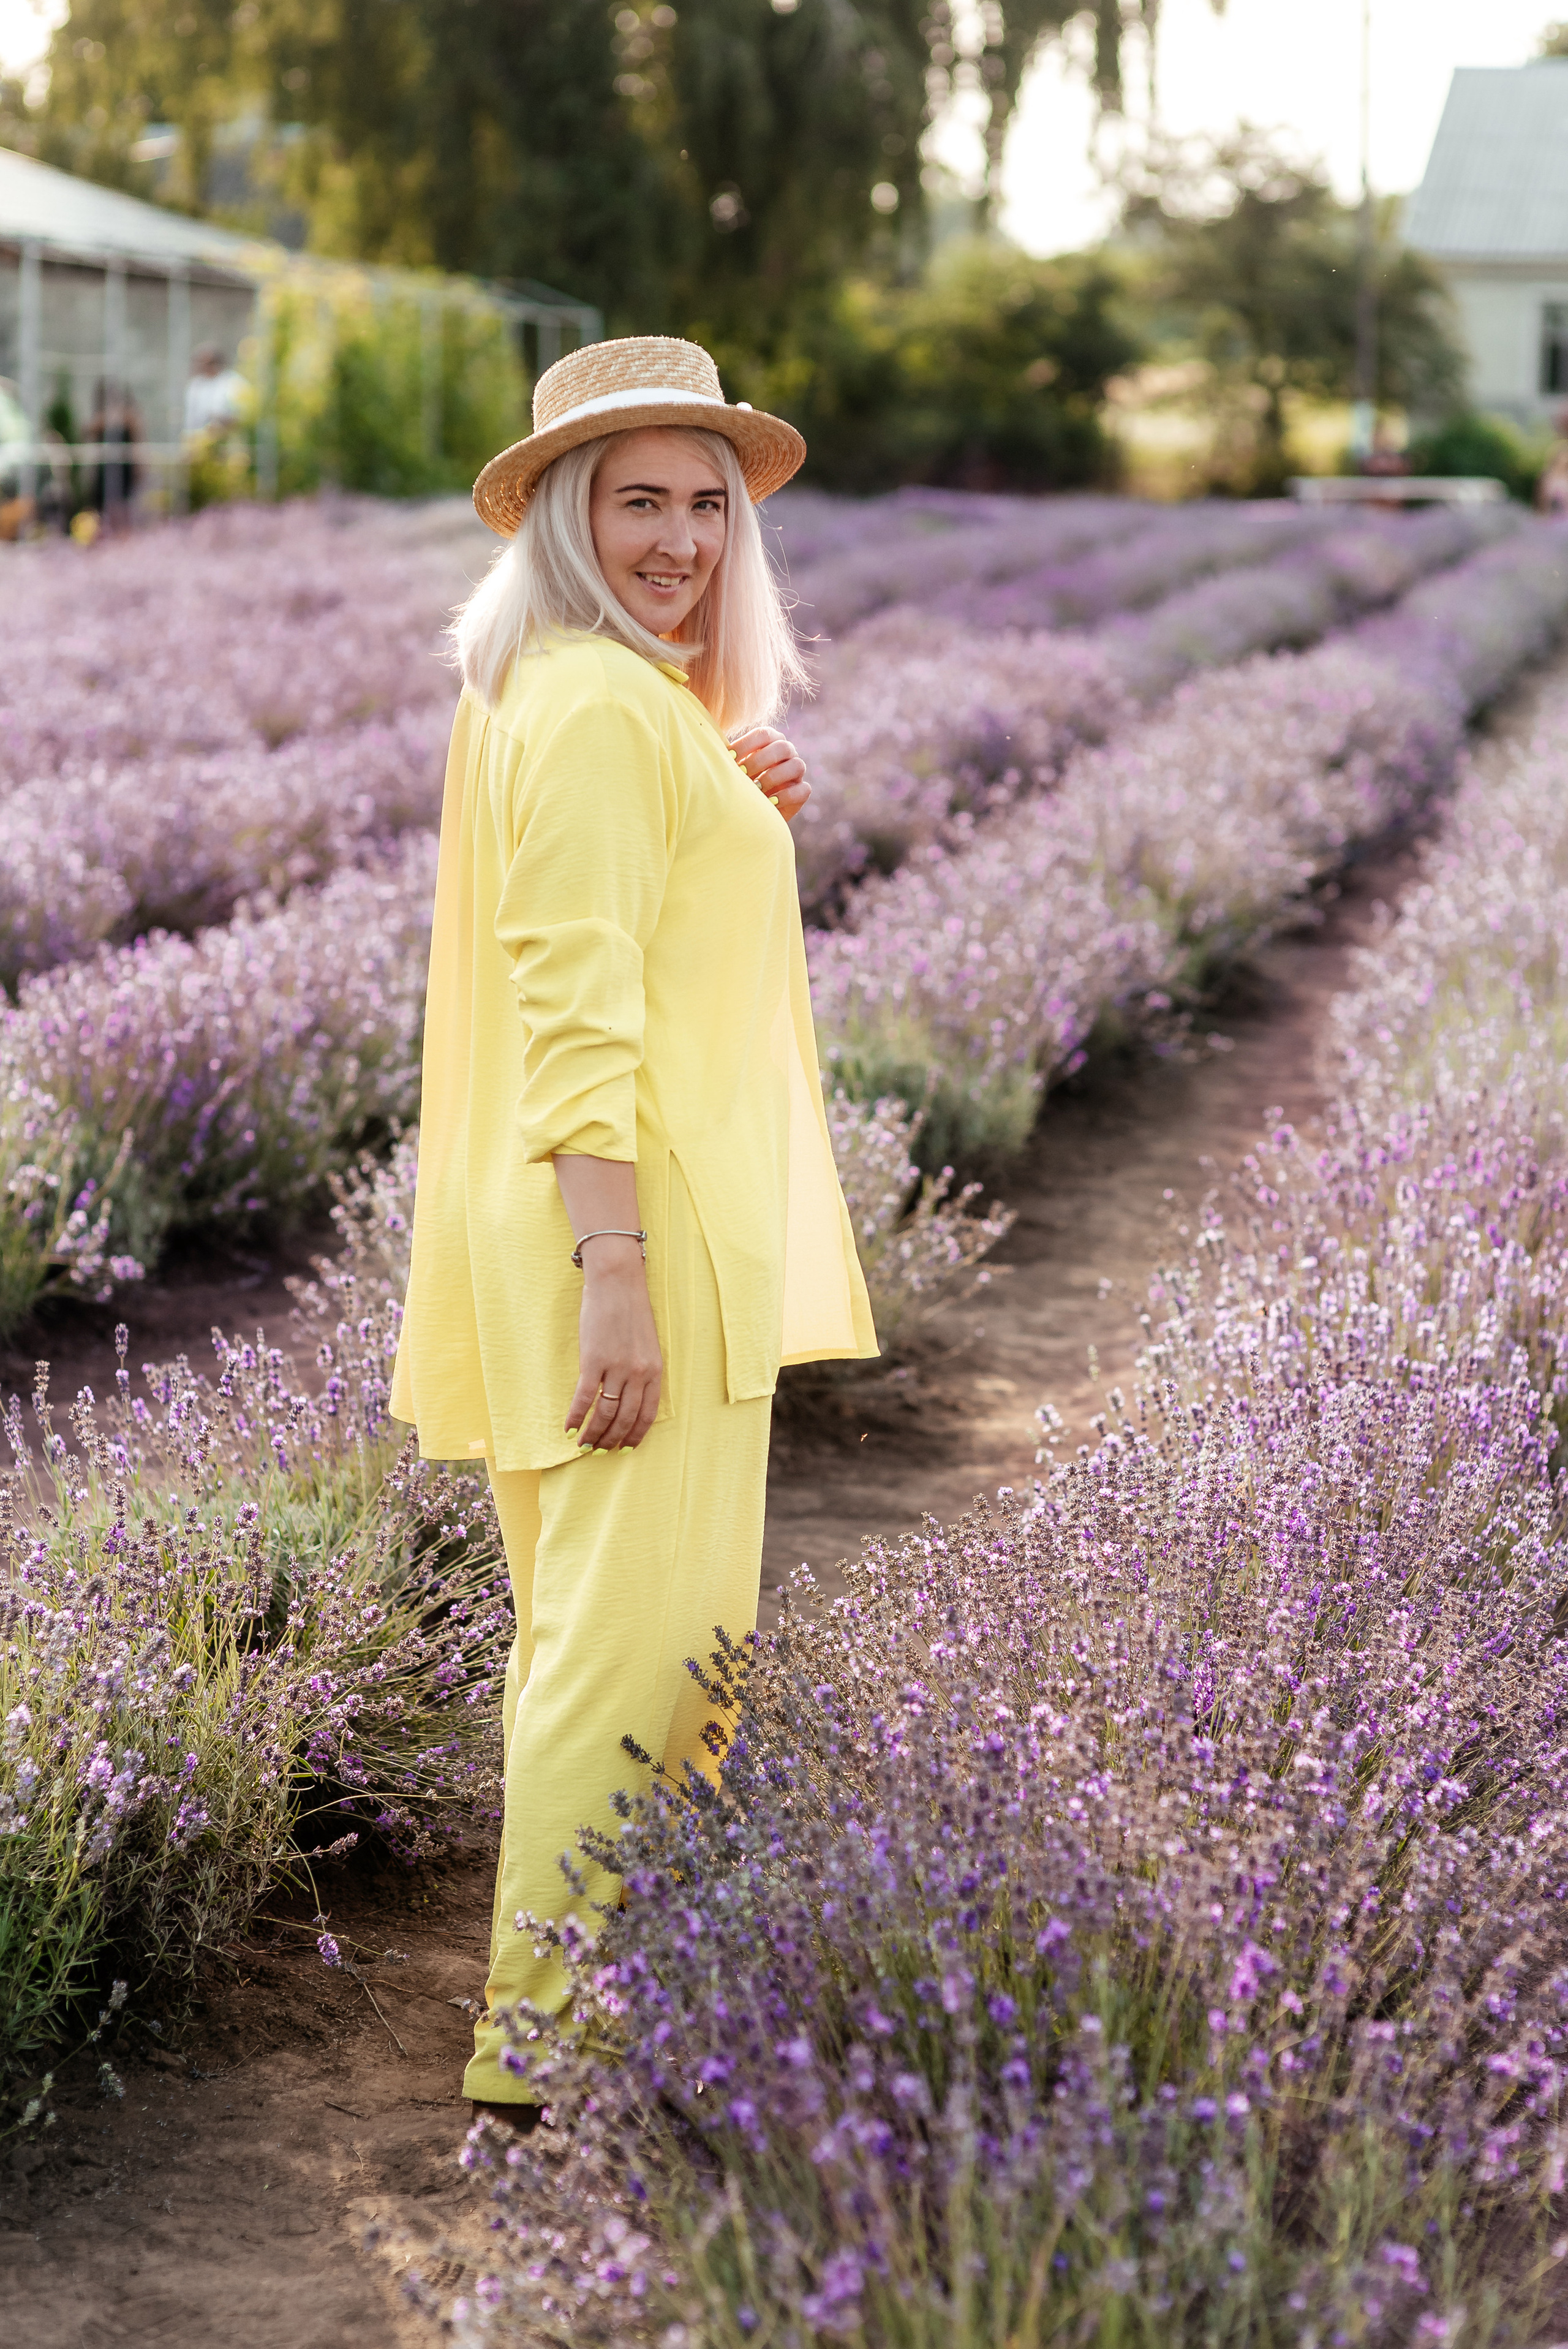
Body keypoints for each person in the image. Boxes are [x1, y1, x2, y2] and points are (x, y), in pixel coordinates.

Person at [389, 336, 878, 2127]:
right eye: (639, 501)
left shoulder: (605, 697)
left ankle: (606, 2003)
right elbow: (576, 1006)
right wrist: (619, 1276)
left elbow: (630, 933)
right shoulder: (600, 705)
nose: (678, 536)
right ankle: (553, 2049)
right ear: (569, 521)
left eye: (703, 502)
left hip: (617, 1224)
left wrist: (734, 802)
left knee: (606, 1641)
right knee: (632, 1663)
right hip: (632, 1234)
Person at [85, 381, 141, 528]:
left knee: (124, 506)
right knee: (102, 507)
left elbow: (136, 436)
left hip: (124, 469)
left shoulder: (128, 417)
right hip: (104, 469)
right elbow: (89, 430)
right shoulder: (101, 418)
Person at [184, 344, 246, 439]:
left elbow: (243, 417)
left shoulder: (233, 382)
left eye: (206, 363)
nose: (201, 367)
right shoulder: (196, 385)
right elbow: (191, 419)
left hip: (227, 441)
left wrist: (221, 420)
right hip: (199, 441)